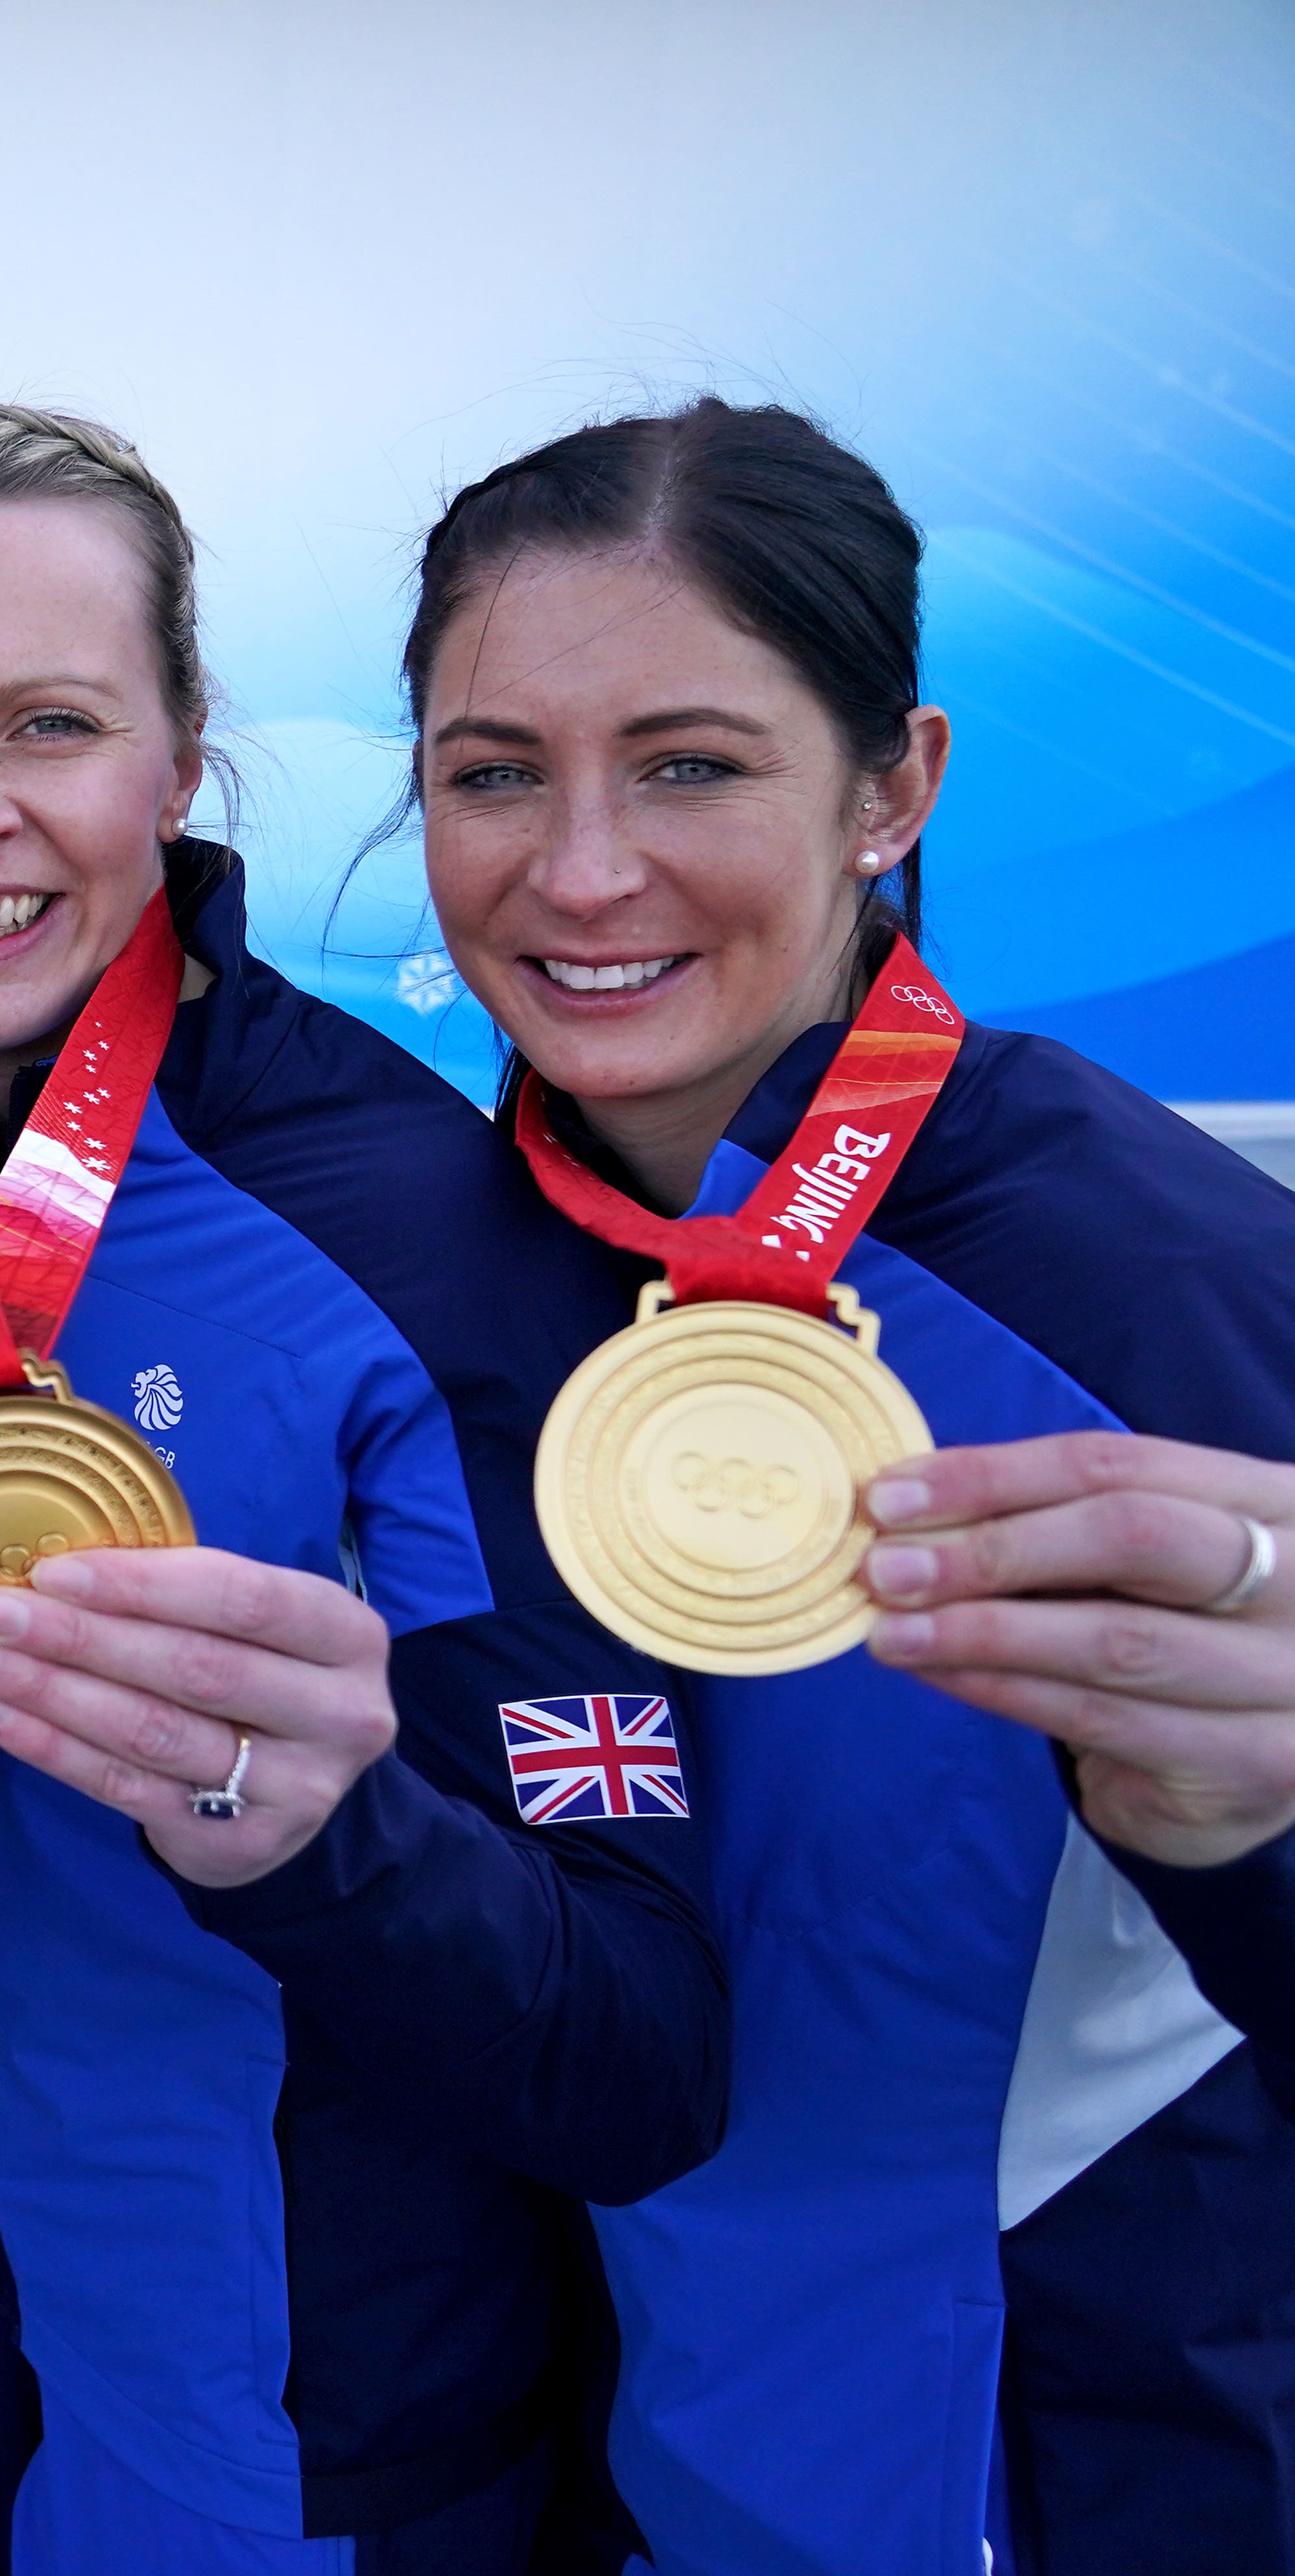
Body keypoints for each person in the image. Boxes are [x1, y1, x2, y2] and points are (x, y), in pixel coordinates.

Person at [0, 400, 731, 2569]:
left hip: (339, 2464)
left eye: (49, 720)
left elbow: (643, 2055)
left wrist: (324, 1838)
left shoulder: (421, 1233)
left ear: (181, 751)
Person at [407, 394, 1295, 2573]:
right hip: (632, 2472)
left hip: (1074, 2473)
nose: (580, 867)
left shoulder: (1161, 1280)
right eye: (491, 771)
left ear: (891, 785)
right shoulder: (435, 1265)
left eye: (689, 765)